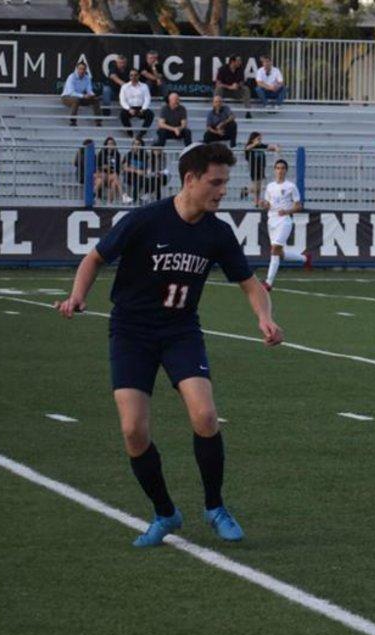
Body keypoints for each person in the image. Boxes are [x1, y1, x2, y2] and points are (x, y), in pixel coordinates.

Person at [53, 142, 284, 548]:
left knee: (206, 416)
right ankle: (164, 513)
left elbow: (250, 284)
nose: (221, 191)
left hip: (180, 332)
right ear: (190, 179)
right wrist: (77, 296)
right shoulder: (145, 220)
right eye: (215, 182)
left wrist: (264, 317)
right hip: (131, 332)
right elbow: (94, 259)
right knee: (133, 431)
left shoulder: (218, 233)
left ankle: (215, 507)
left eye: (225, 183)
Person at [258, 158, 310, 290]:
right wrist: (264, 204)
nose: (280, 170)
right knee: (279, 253)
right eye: (278, 168)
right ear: (274, 170)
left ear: (286, 170)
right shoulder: (270, 187)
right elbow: (268, 204)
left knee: (274, 250)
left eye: (282, 168)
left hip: (284, 221)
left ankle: (268, 283)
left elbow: (299, 206)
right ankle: (305, 259)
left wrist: (287, 211)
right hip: (272, 221)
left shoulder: (291, 186)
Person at [61, 62, 103, 127]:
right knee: (76, 100)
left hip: (80, 97)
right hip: (66, 97)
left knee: (95, 100)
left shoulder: (87, 78)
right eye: (80, 69)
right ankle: (73, 121)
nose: (82, 71)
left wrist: (92, 95)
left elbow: (89, 90)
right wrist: (83, 96)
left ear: (85, 70)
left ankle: (98, 122)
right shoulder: (71, 77)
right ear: (77, 69)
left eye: (83, 69)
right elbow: (71, 92)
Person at [244, 132, 280, 204]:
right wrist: (254, 144)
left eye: (260, 139)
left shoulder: (260, 146)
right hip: (254, 168)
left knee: (259, 188)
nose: (260, 141)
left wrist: (276, 147)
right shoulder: (250, 146)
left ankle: (256, 202)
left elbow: (269, 147)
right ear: (252, 139)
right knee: (257, 187)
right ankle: (246, 191)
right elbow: (247, 148)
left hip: (261, 168)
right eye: (258, 139)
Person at [118, 69, 154, 141]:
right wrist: (129, 109)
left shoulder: (144, 86)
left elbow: (147, 98)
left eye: (135, 75)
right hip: (130, 108)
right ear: (129, 77)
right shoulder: (124, 87)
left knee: (150, 114)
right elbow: (122, 100)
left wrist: (143, 109)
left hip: (141, 108)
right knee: (122, 114)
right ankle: (130, 134)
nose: (133, 77)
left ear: (138, 76)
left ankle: (141, 134)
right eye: (131, 75)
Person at [96, 136, 126, 204]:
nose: (110, 145)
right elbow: (98, 167)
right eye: (108, 144)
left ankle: (110, 203)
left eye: (112, 144)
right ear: (105, 145)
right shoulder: (101, 153)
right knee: (99, 180)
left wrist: (109, 169)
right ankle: (124, 196)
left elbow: (118, 169)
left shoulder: (117, 154)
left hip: (112, 176)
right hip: (103, 176)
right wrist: (105, 167)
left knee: (114, 182)